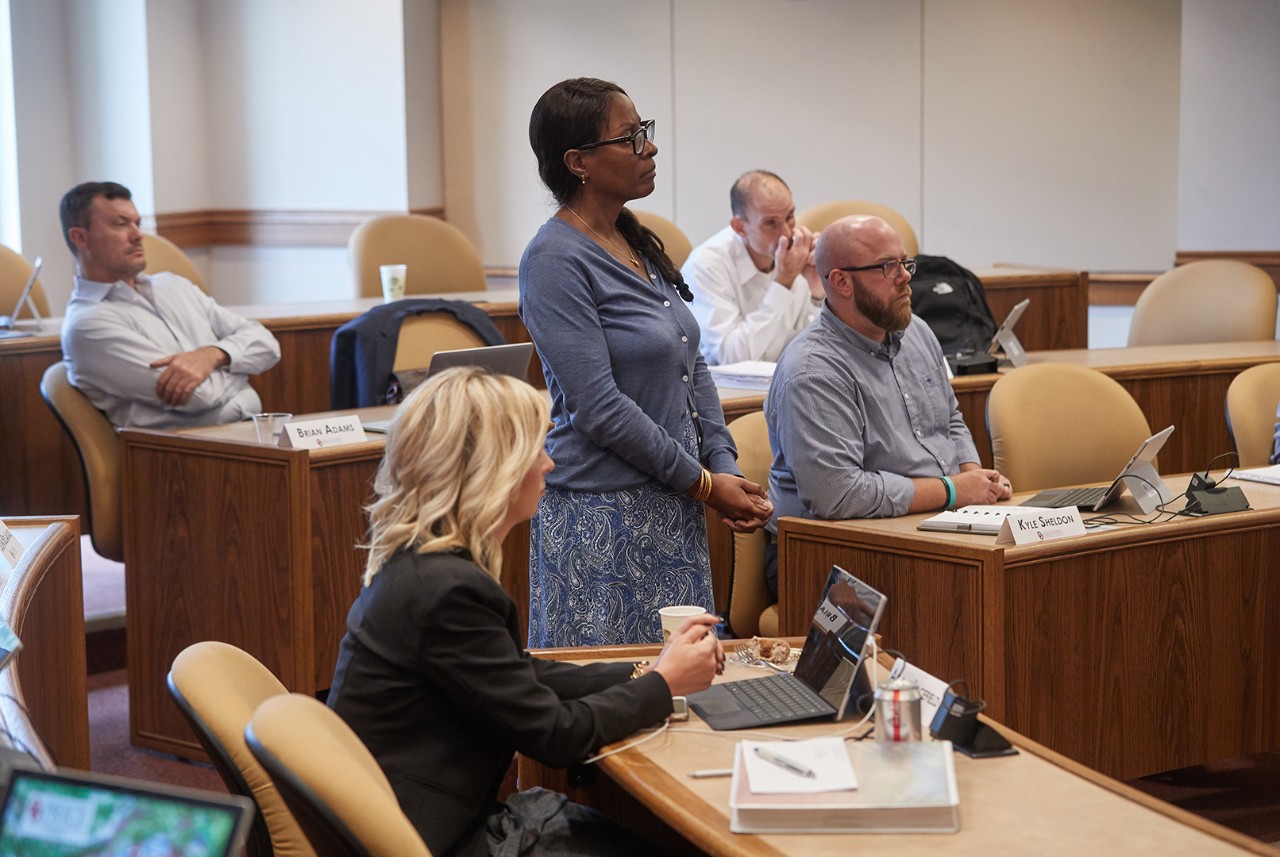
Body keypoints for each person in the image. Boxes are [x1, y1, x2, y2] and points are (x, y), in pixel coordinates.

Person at [327, 366, 724, 857]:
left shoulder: (424, 562)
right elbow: (556, 736)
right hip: (434, 839)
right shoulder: (447, 591)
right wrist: (663, 687)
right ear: (495, 469)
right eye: (537, 449)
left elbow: (518, 674)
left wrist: (647, 669)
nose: (549, 464)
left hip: (418, 815)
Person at [519, 77, 771, 646]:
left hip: (671, 505)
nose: (649, 148)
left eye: (645, 132)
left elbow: (693, 363)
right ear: (578, 161)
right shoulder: (553, 260)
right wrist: (706, 484)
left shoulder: (634, 240)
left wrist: (722, 464)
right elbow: (599, 408)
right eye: (630, 138)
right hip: (601, 518)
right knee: (611, 705)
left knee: (681, 695)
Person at [764, 215, 1013, 595]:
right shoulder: (813, 369)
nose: (905, 277)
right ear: (841, 282)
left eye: (905, 262)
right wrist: (953, 490)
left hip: (925, 525)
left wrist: (977, 483)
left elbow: (951, 421)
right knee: (968, 595)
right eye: (887, 267)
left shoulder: (917, 332)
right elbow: (838, 495)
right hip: (828, 552)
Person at [59, 181, 280, 428]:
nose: (137, 235)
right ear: (80, 238)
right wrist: (240, 366)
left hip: (247, 437)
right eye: (121, 224)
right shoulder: (88, 324)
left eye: (137, 223)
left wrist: (214, 355)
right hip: (178, 457)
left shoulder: (173, 285)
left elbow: (268, 345)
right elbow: (199, 396)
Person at [684, 170, 822, 364]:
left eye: (790, 216)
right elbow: (731, 358)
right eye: (771, 223)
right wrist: (783, 283)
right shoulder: (706, 265)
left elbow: (814, 351)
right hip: (727, 391)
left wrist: (817, 293)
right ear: (740, 227)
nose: (787, 232)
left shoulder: (798, 252)